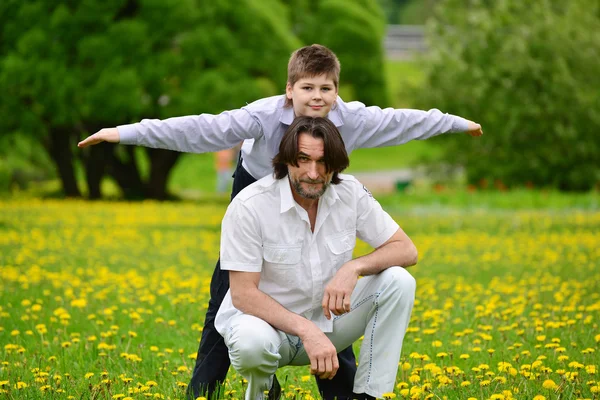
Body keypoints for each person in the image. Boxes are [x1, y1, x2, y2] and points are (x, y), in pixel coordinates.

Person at [77, 44, 482, 400]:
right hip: (256, 189)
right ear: (290, 90)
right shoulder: (264, 116)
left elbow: (403, 122)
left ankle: (345, 390)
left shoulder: (352, 120)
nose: (317, 97)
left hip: (318, 190)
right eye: (307, 88)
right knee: (231, 292)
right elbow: (202, 129)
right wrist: (122, 133)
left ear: (337, 91)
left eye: (326, 88)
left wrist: (457, 122)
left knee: (323, 277)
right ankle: (212, 389)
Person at [216, 115, 417, 400]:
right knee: (251, 345)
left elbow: (406, 249)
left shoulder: (350, 192)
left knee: (399, 281)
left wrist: (354, 267)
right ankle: (264, 389)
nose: (313, 172)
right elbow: (243, 295)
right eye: (303, 159)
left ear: (335, 165)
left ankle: (371, 395)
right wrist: (307, 331)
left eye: (323, 162)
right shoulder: (249, 205)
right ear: (286, 160)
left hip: (330, 324)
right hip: (268, 329)